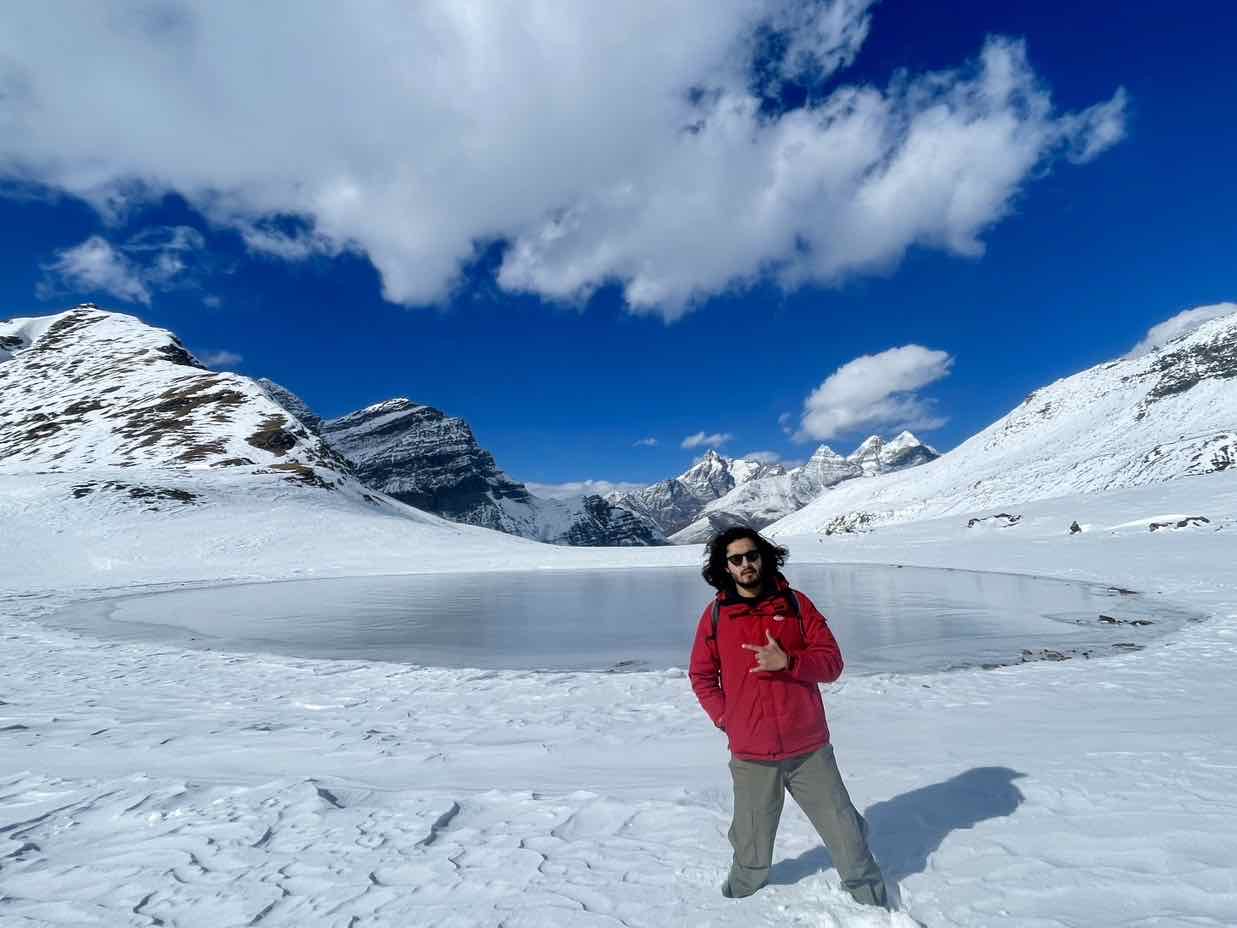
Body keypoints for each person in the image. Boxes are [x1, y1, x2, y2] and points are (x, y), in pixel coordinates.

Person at [688, 525, 888, 908]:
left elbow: (831, 663)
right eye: (736, 559)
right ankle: (739, 903)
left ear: (763, 557)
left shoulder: (796, 605)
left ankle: (871, 899)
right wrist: (725, 717)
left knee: (843, 829)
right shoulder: (715, 616)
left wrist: (790, 662)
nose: (746, 564)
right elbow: (701, 675)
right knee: (751, 839)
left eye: (752, 555)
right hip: (751, 751)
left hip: (807, 746)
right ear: (725, 567)